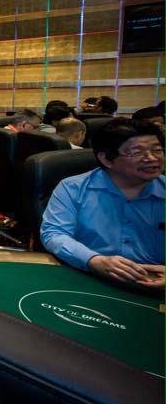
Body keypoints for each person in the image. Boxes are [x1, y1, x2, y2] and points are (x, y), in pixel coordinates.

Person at [40, 119, 164, 289]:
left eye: (157, 150)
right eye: (137, 152)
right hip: (89, 278)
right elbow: (54, 233)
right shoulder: (73, 188)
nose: (151, 158)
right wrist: (93, 260)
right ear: (106, 159)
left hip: (154, 286)